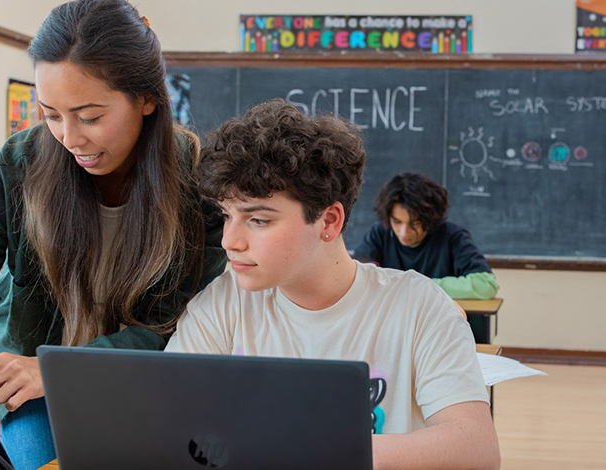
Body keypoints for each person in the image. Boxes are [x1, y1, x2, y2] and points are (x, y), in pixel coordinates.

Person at [0, 1, 226, 468]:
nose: (69, 137)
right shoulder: (11, 172)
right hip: (30, 400)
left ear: (147, 99)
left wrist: (58, 369)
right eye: (51, 114)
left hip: (147, 387)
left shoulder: (198, 184)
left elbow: (177, 330)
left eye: (89, 116)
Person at [165, 99, 501, 470]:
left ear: (328, 221)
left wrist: (314, 448)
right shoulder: (222, 305)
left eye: (258, 220)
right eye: (227, 215)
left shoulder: (418, 306)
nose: (230, 240)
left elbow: (476, 449)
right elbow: (172, 427)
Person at [352, 173, 499, 340]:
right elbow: (359, 276)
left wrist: (423, 287)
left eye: (415, 223)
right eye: (397, 222)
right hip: (393, 332)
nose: (403, 232)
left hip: (442, 333)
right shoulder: (380, 234)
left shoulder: (452, 237)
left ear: (430, 219)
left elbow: (486, 285)